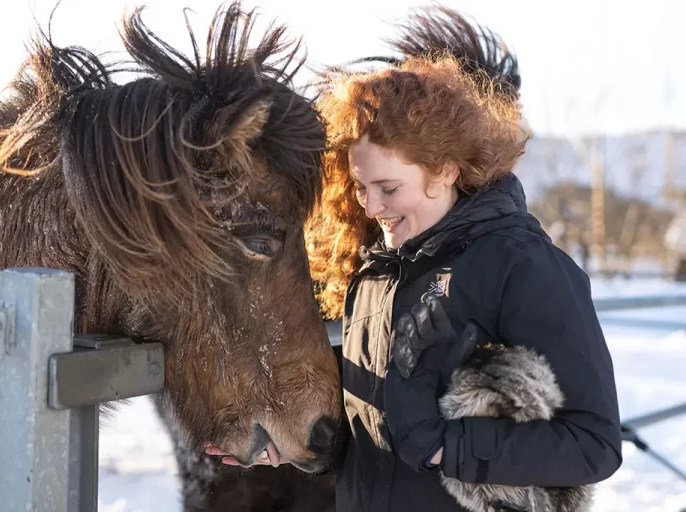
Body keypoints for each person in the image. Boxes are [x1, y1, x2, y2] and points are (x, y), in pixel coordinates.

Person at [207, 6, 623, 512]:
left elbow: (593, 445)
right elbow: (375, 439)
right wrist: (297, 447)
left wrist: (447, 448)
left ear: (445, 170)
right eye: (360, 187)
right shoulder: (375, 274)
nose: (371, 207)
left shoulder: (523, 267)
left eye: (388, 187)